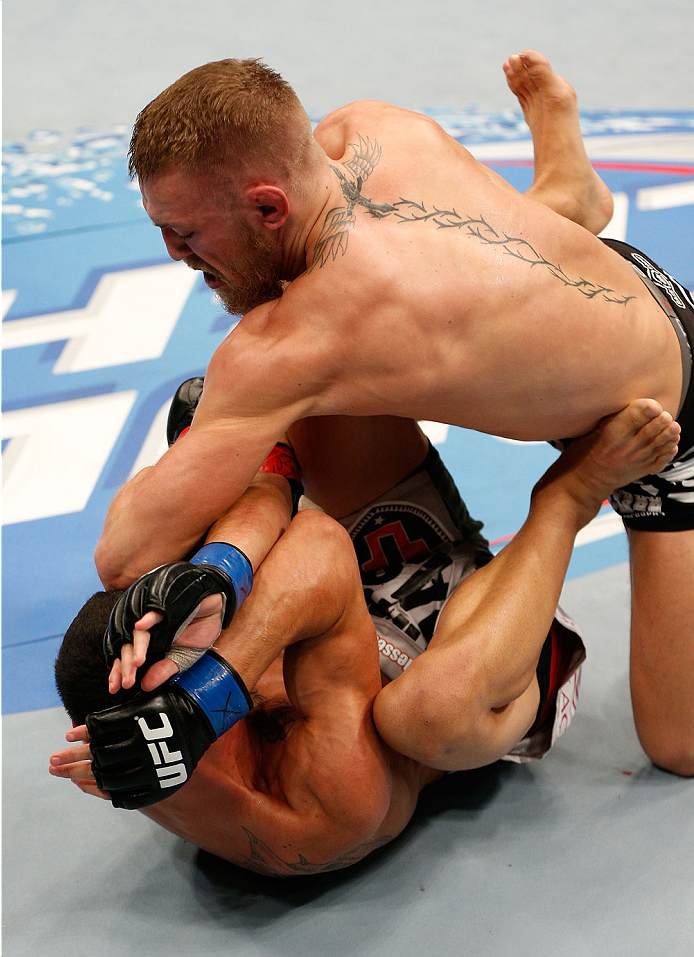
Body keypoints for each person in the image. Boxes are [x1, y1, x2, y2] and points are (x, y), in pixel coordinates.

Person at [92, 50, 694, 775]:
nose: (175, 255)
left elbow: (123, 556)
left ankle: (570, 490)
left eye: (187, 234)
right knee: (475, 269)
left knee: (679, 746)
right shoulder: (371, 127)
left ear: (268, 206)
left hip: (663, 420)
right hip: (618, 283)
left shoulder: (300, 342)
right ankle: (569, 198)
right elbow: (472, 263)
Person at [50, 400, 678, 871]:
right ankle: (569, 497)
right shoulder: (313, 802)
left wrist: (215, 566)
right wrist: (212, 690)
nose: (196, 649)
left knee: (291, 382)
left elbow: (266, 490)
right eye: (185, 664)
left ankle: (562, 217)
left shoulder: (143, 727)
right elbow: (318, 552)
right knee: (425, 714)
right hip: (492, 661)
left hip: (386, 554)